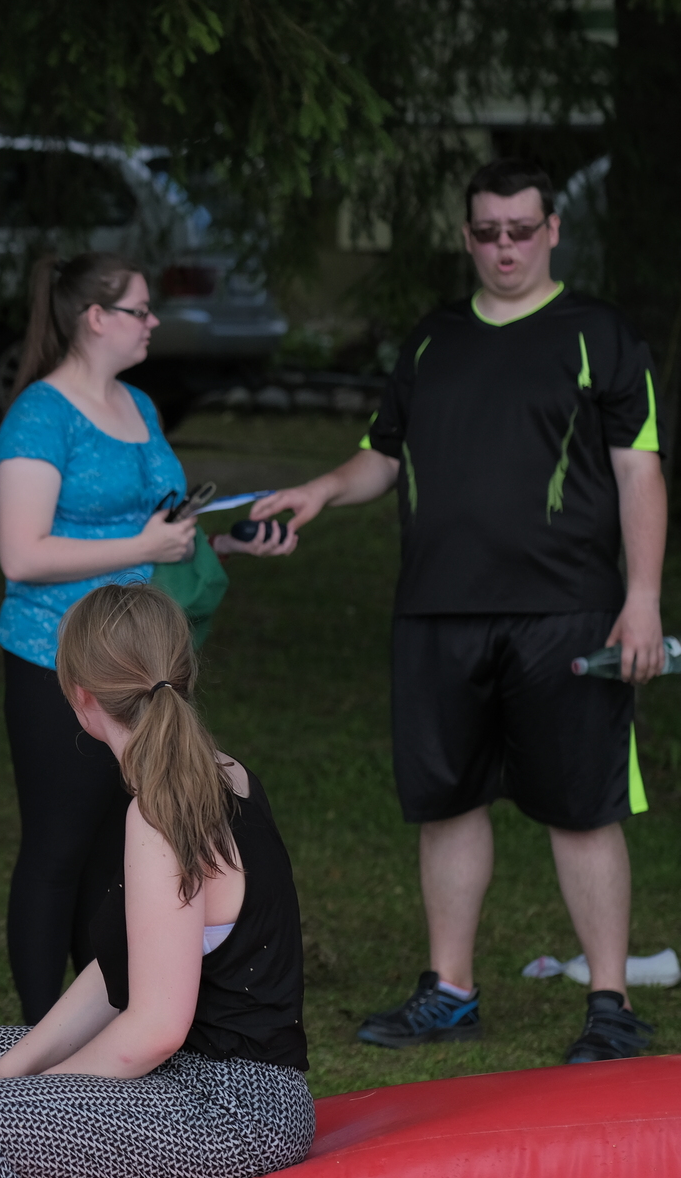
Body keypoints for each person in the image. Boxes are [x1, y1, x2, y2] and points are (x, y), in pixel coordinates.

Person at [250, 159, 664, 1064]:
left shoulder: (598, 334)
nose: (505, 248)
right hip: (438, 611)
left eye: (522, 230)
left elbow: (640, 471)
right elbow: (381, 453)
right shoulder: (433, 339)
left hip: (568, 613)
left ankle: (610, 1004)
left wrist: (641, 601)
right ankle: (450, 991)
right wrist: (321, 490)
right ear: (467, 236)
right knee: (448, 802)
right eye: (488, 232)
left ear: (552, 230)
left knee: (583, 808)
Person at [0, 583, 314, 1178]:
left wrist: (20, 1098)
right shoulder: (215, 773)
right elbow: (119, 970)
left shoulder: (162, 815)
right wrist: (2, 1076)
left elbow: (155, 1030)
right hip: (199, 1079)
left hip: (235, 1111)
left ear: (79, 693)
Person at [0, 251, 293, 1022]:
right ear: (97, 318)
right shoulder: (40, 416)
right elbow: (21, 553)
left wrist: (221, 546)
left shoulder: (140, 406)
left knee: (115, 848)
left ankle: (110, 1023)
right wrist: (145, 546)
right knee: (58, 849)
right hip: (55, 661)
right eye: (140, 308)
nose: (154, 321)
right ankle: (38, 1034)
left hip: (137, 660)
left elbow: (159, 536)